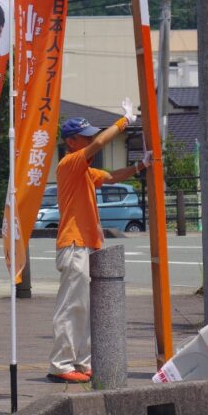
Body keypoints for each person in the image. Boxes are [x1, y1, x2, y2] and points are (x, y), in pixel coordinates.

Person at [48, 99, 152, 383]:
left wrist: (140, 166)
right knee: (72, 306)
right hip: (73, 243)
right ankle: (60, 364)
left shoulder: (84, 170)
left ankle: (81, 362)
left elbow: (111, 177)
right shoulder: (70, 163)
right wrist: (123, 121)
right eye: (85, 137)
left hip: (85, 244)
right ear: (71, 142)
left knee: (84, 307)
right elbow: (100, 144)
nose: (91, 140)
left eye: (91, 136)